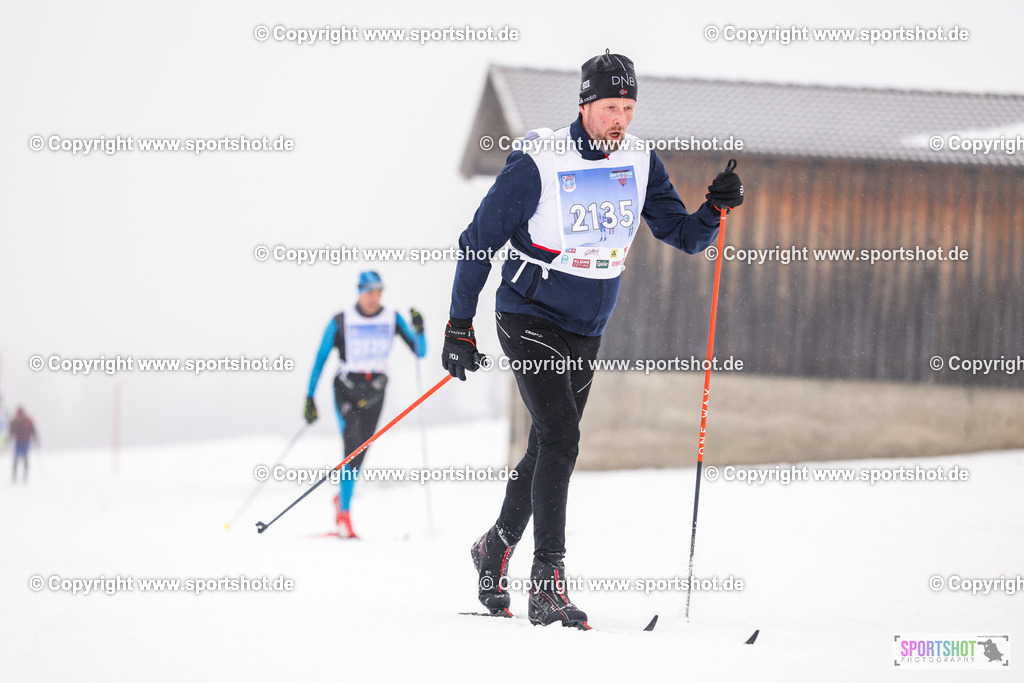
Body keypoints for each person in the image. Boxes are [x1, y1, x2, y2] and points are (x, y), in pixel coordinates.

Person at [441, 50, 744, 627]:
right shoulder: (538, 162)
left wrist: (713, 208)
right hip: (528, 317)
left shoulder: (639, 160)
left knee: (546, 445)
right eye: (610, 107)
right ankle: (547, 583)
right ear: (585, 105)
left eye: (628, 108)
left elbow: (681, 235)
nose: (619, 120)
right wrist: (459, 325)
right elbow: (477, 240)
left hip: (587, 328)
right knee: (561, 437)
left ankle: (493, 547)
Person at [304, 271, 426, 538]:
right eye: (369, 292)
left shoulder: (391, 318)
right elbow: (320, 358)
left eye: (378, 292)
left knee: (360, 453)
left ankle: (341, 501)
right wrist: (309, 397)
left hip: (375, 393)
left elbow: (421, 351)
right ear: (359, 292)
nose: (374, 298)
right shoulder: (340, 320)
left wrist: (420, 329)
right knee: (352, 444)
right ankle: (345, 516)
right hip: (345, 390)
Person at [9, 406, 38, 484]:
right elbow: (11, 431)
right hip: (18, 441)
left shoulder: (27, 420)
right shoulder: (15, 421)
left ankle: (25, 475)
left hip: (26, 441)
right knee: (16, 458)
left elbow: (33, 429)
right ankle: (14, 475)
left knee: (25, 457)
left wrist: (35, 438)